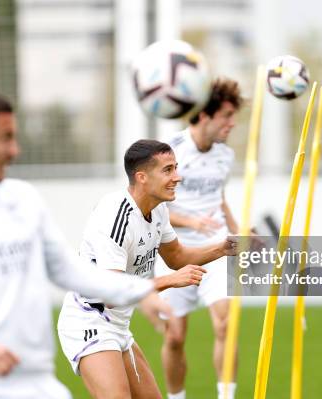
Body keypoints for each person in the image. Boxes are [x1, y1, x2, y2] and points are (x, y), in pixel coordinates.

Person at [0, 88, 169, 399]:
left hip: (35, 381)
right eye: (5, 138)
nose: (14, 150)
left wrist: (140, 291)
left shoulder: (22, 200)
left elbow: (69, 269)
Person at [57, 139, 237, 399]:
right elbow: (111, 292)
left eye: (176, 167)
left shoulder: (159, 209)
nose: (178, 177)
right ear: (142, 177)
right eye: (168, 170)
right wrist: (170, 280)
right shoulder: (115, 214)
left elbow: (177, 256)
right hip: (89, 321)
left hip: (119, 326)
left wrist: (223, 248)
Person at [158, 77, 244, 399]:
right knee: (175, 337)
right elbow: (154, 203)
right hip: (175, 250)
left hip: (218, 247)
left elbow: (219, 199)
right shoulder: (171, 150)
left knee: (226, 325)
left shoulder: (225, 156)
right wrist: (190, 219)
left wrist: (237, 232)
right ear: (205, 115)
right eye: (226, 116)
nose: (232, 123)